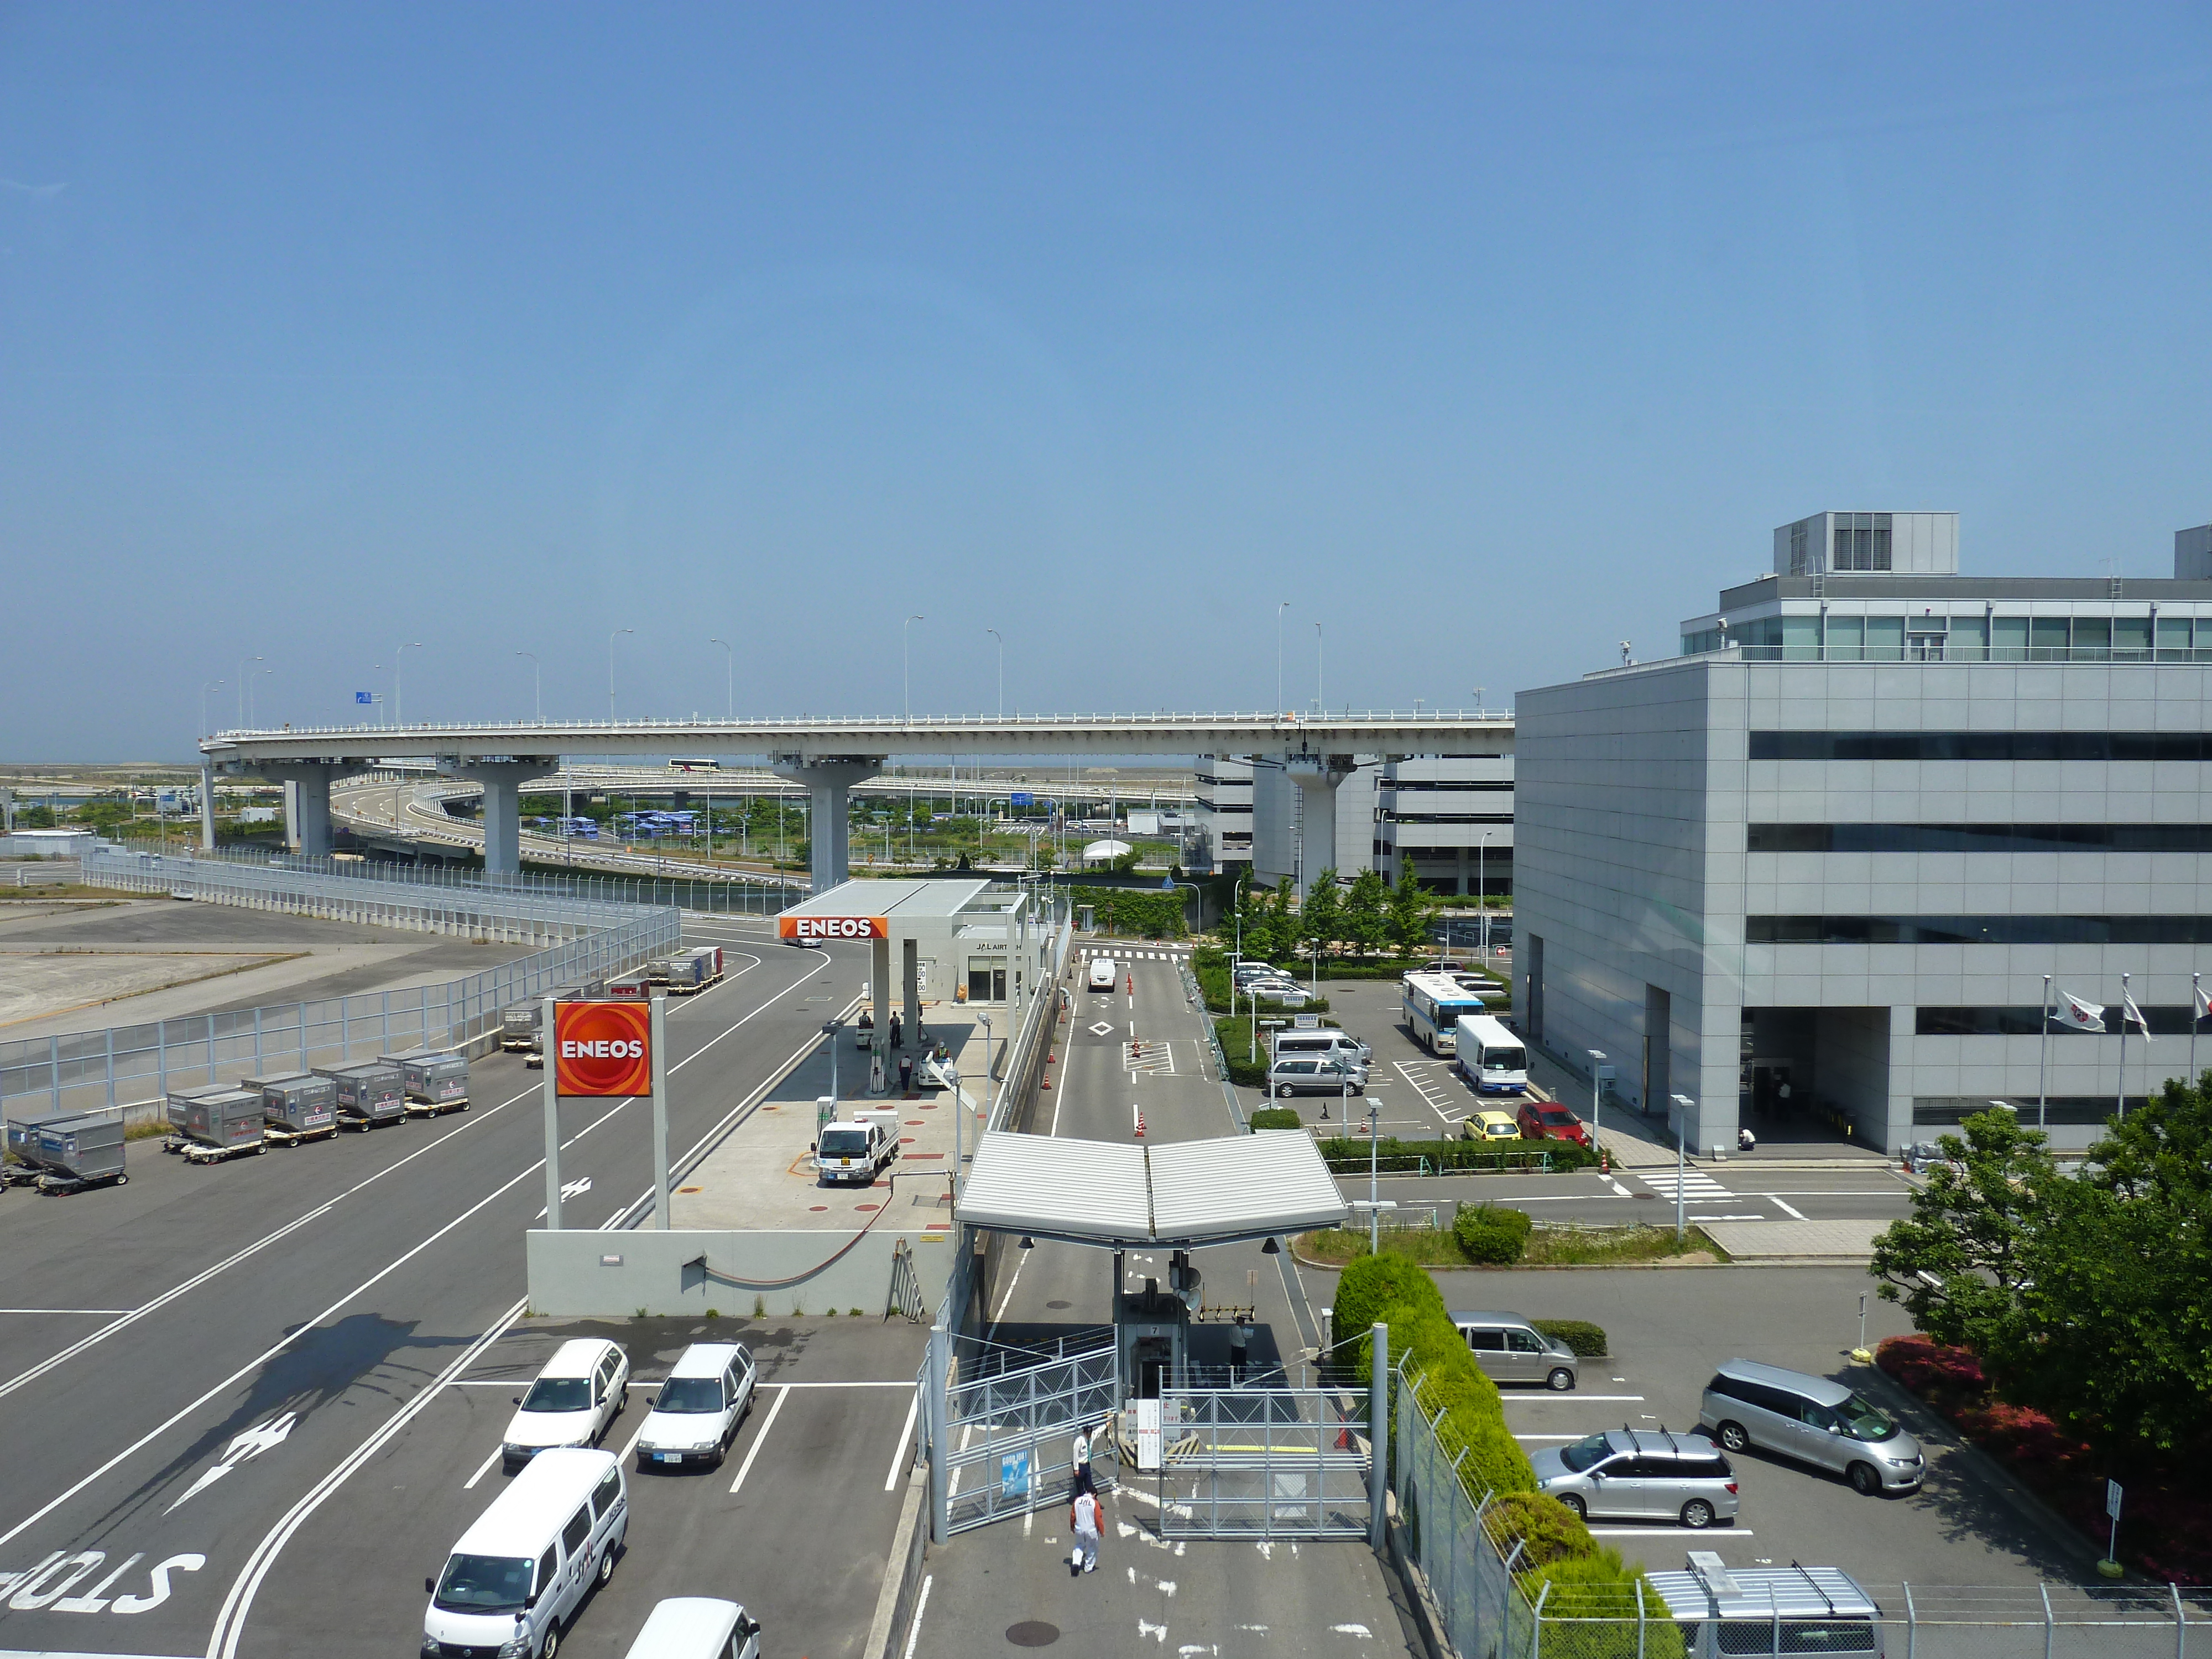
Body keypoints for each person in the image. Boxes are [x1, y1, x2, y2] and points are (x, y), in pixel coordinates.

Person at [1069, 1485, 1103, 1575]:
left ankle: (1076, 1563)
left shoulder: (1077, 1500)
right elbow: (1098, 1518)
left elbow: (1073, 1516)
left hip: (1079, 1529)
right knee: (1092, 1548)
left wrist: (1072, 1527)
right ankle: (1088, 1567)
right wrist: (1102, 1531)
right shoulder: (1095, 1503)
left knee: (1079, 1546)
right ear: (1095, 1494)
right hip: (1091, 1530)